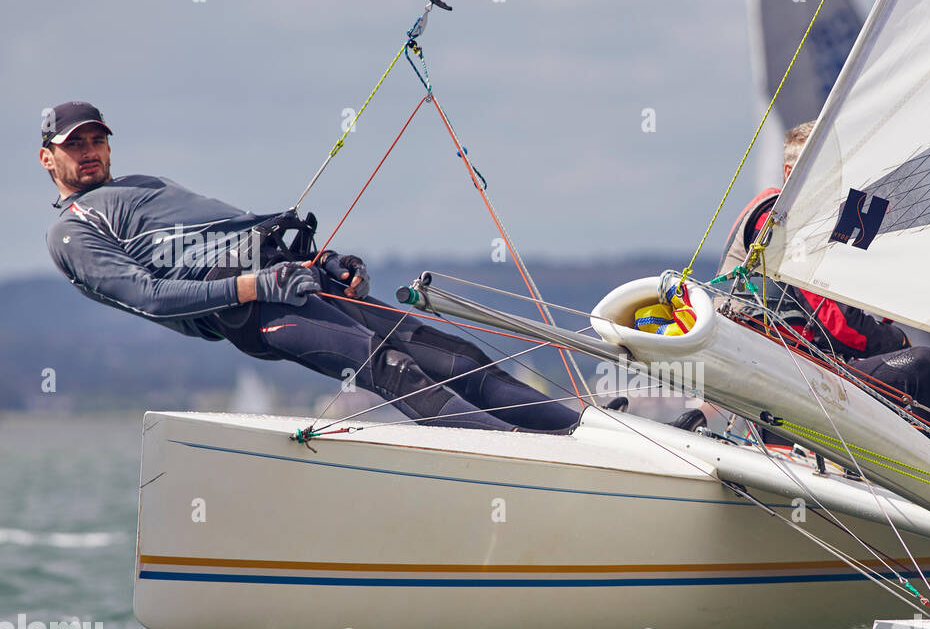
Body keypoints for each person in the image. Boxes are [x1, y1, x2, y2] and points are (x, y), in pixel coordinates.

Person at [39, 101, 578, 432]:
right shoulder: (72, 231)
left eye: (97, 139)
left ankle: (579, 432)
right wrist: (255, 286)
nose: (89, 151)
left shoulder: (144, 185)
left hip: (292, 276)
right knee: (395, 371)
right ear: (48, 159)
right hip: (249, 307)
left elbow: (238, 227)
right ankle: (520, 459)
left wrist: (327, 263)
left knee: (457, 357)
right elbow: (149, 295)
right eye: (74, 145)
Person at [720, 122, 930, 483]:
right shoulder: (779, 216)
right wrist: (898, 343)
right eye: (830, 173)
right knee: (924, 365)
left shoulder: (816, 222)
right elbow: (839, 322)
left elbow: (858, 280)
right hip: (792, 384)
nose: (841, 183)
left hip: (815, 378)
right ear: (793, 173)